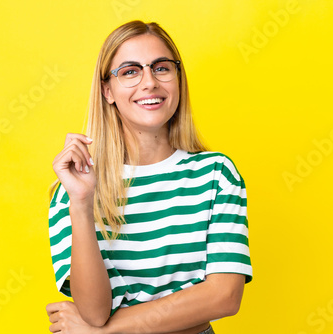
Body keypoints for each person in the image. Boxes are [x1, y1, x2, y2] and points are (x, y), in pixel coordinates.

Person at [46, 20, 252, 334]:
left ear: (178, 80)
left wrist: (103, 333)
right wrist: (82, 206)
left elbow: (224, 297)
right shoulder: (75, 189)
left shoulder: (217, 174)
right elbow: (94, 313)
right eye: (130, 71)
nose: (149, 83)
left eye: (161, 68)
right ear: (107, 90)